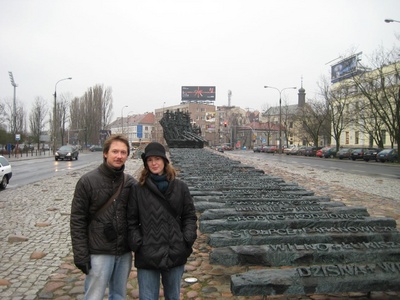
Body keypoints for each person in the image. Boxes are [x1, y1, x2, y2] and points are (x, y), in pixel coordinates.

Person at [127, 142, 197, 300]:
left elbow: (189, 217)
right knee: (147, 297)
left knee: (173, 296)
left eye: (157, 159)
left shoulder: (180, 187)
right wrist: (138, 244)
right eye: (150, 160)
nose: (154, 163)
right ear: (146, 163)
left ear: (165, 161)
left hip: (175, 252)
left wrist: (186, 240)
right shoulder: (138, 190)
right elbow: (131, 221)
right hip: (147, 254)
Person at [70, 134, 136, 300]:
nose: (119, 156)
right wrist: (80, 255)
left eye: (123, 152)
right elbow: (77, 221)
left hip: (123, 251)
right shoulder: (87, 181)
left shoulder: (130, 183)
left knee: (119, 295)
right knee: (94, 296)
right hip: (99, 251)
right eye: (115, 151)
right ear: (105, 153)